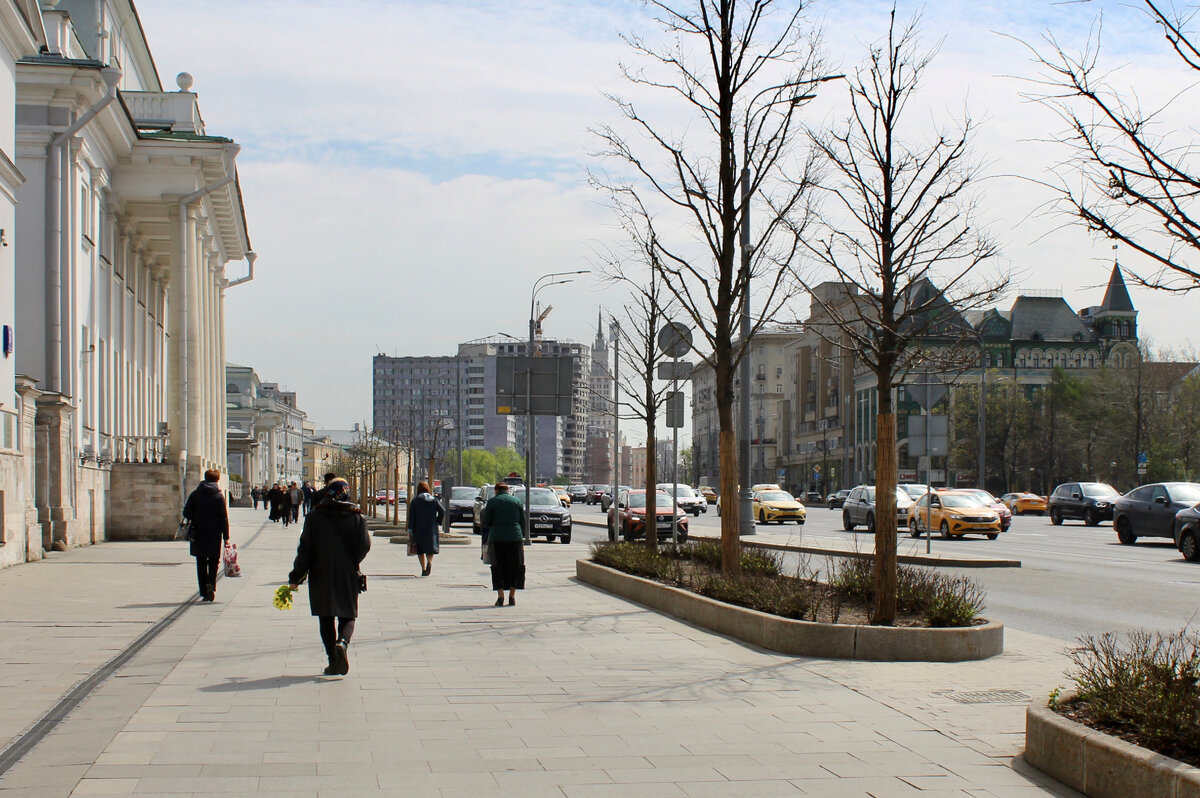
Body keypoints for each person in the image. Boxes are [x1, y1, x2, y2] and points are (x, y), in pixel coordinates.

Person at [288, 478, 370, 676]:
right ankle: (342, 642)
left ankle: (332, 660)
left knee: (325, 617)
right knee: (348, 615)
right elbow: (364, 546)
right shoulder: (357, 517)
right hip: (347, 573)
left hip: (321, 572)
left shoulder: (315, 516)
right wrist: (352, 560)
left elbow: (305, 549)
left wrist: (296, 576)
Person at [183, 468, 229, 602]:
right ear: (217, 480)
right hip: (214, 533)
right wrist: (226, 537)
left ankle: (203, 590)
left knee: (201, 562)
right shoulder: (218, 495)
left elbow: (186, 512)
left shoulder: (195, 494)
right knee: (214, 561)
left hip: (198, 532)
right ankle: (211, 584)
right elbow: (223, 517)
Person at [481, 481, 525, 606]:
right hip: (515, 538)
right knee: (516, 566)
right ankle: (512, 596)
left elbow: (487, 522)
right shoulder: (516, 501)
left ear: (496, 490)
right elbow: (522, 521)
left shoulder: (492, 502)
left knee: (497, 566)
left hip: (497, 538)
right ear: (507, 490)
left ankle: (500, 597)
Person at [407, 481, 443, 577]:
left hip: (418, 528)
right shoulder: (434, 500)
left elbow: (411, 516)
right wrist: (438, 521)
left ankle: (423, 569)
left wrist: (410, 530)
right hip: (431, 528)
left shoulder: (415, 501)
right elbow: (442, 510)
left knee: (420, 549)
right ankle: (429, 563)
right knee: (430, 548)